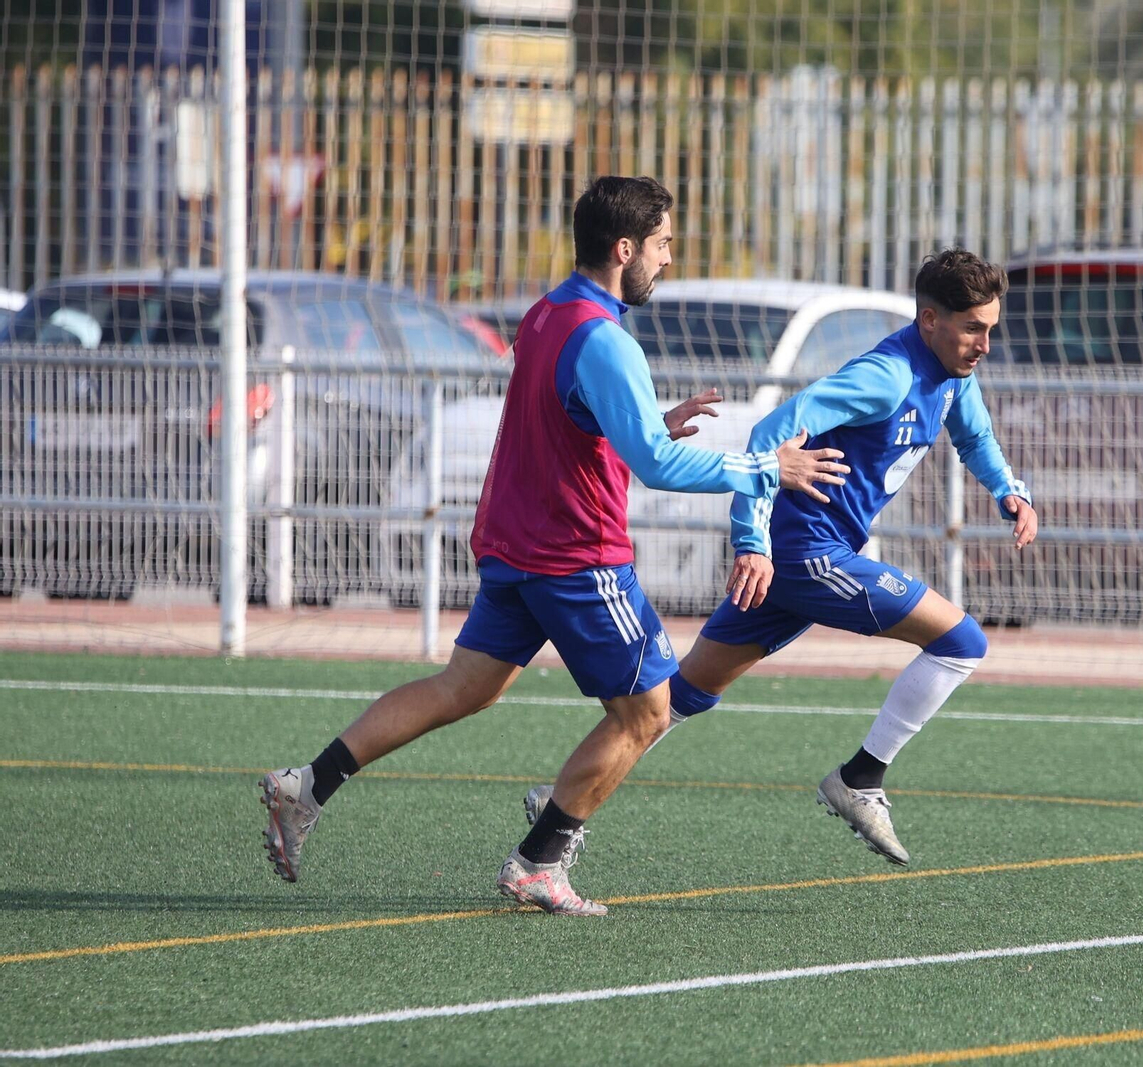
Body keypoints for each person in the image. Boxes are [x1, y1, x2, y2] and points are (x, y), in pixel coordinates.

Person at [258, 176, 849, 916]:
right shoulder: (605, 338)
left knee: (462, 687)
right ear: (624, 248)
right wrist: (771, 467)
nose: (669, 259)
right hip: (576, 557)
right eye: (663, 245)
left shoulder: (548, 313)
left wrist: (649, 420)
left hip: (514, 545)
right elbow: (656, 468)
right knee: (647, 714)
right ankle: (539, 860)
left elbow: (571, 419)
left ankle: (307, 784)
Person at [526, 248, 1037, 867]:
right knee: (962, 643)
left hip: (801, 559)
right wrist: (752, 540)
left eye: (991, 329)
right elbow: (770, 434)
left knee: (684, 694)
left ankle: (561, 804)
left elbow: (975, 435)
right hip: (803, 556)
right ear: (930, 321)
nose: (984, 343)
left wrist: (1010, 490)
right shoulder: (887, 375)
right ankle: (861, 778)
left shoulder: (955, 377)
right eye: (973, 328)